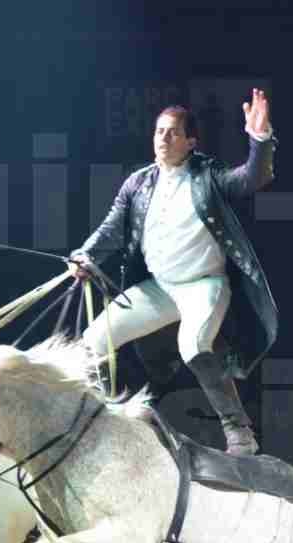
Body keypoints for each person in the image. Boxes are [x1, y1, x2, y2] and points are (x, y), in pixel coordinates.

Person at [69, 89, 278, 455]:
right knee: (93, 341)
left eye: (173, 132)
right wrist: (86, 255)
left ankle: (239, 431)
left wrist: (259, 140)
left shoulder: (206, 175)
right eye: (159, 131)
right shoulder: (137, 184)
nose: (163, 138)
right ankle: (103, 421)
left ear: (190, 141)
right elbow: (111, 229)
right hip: (160, 289)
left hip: (204, 286)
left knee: (193, 345)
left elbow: (250, 179)